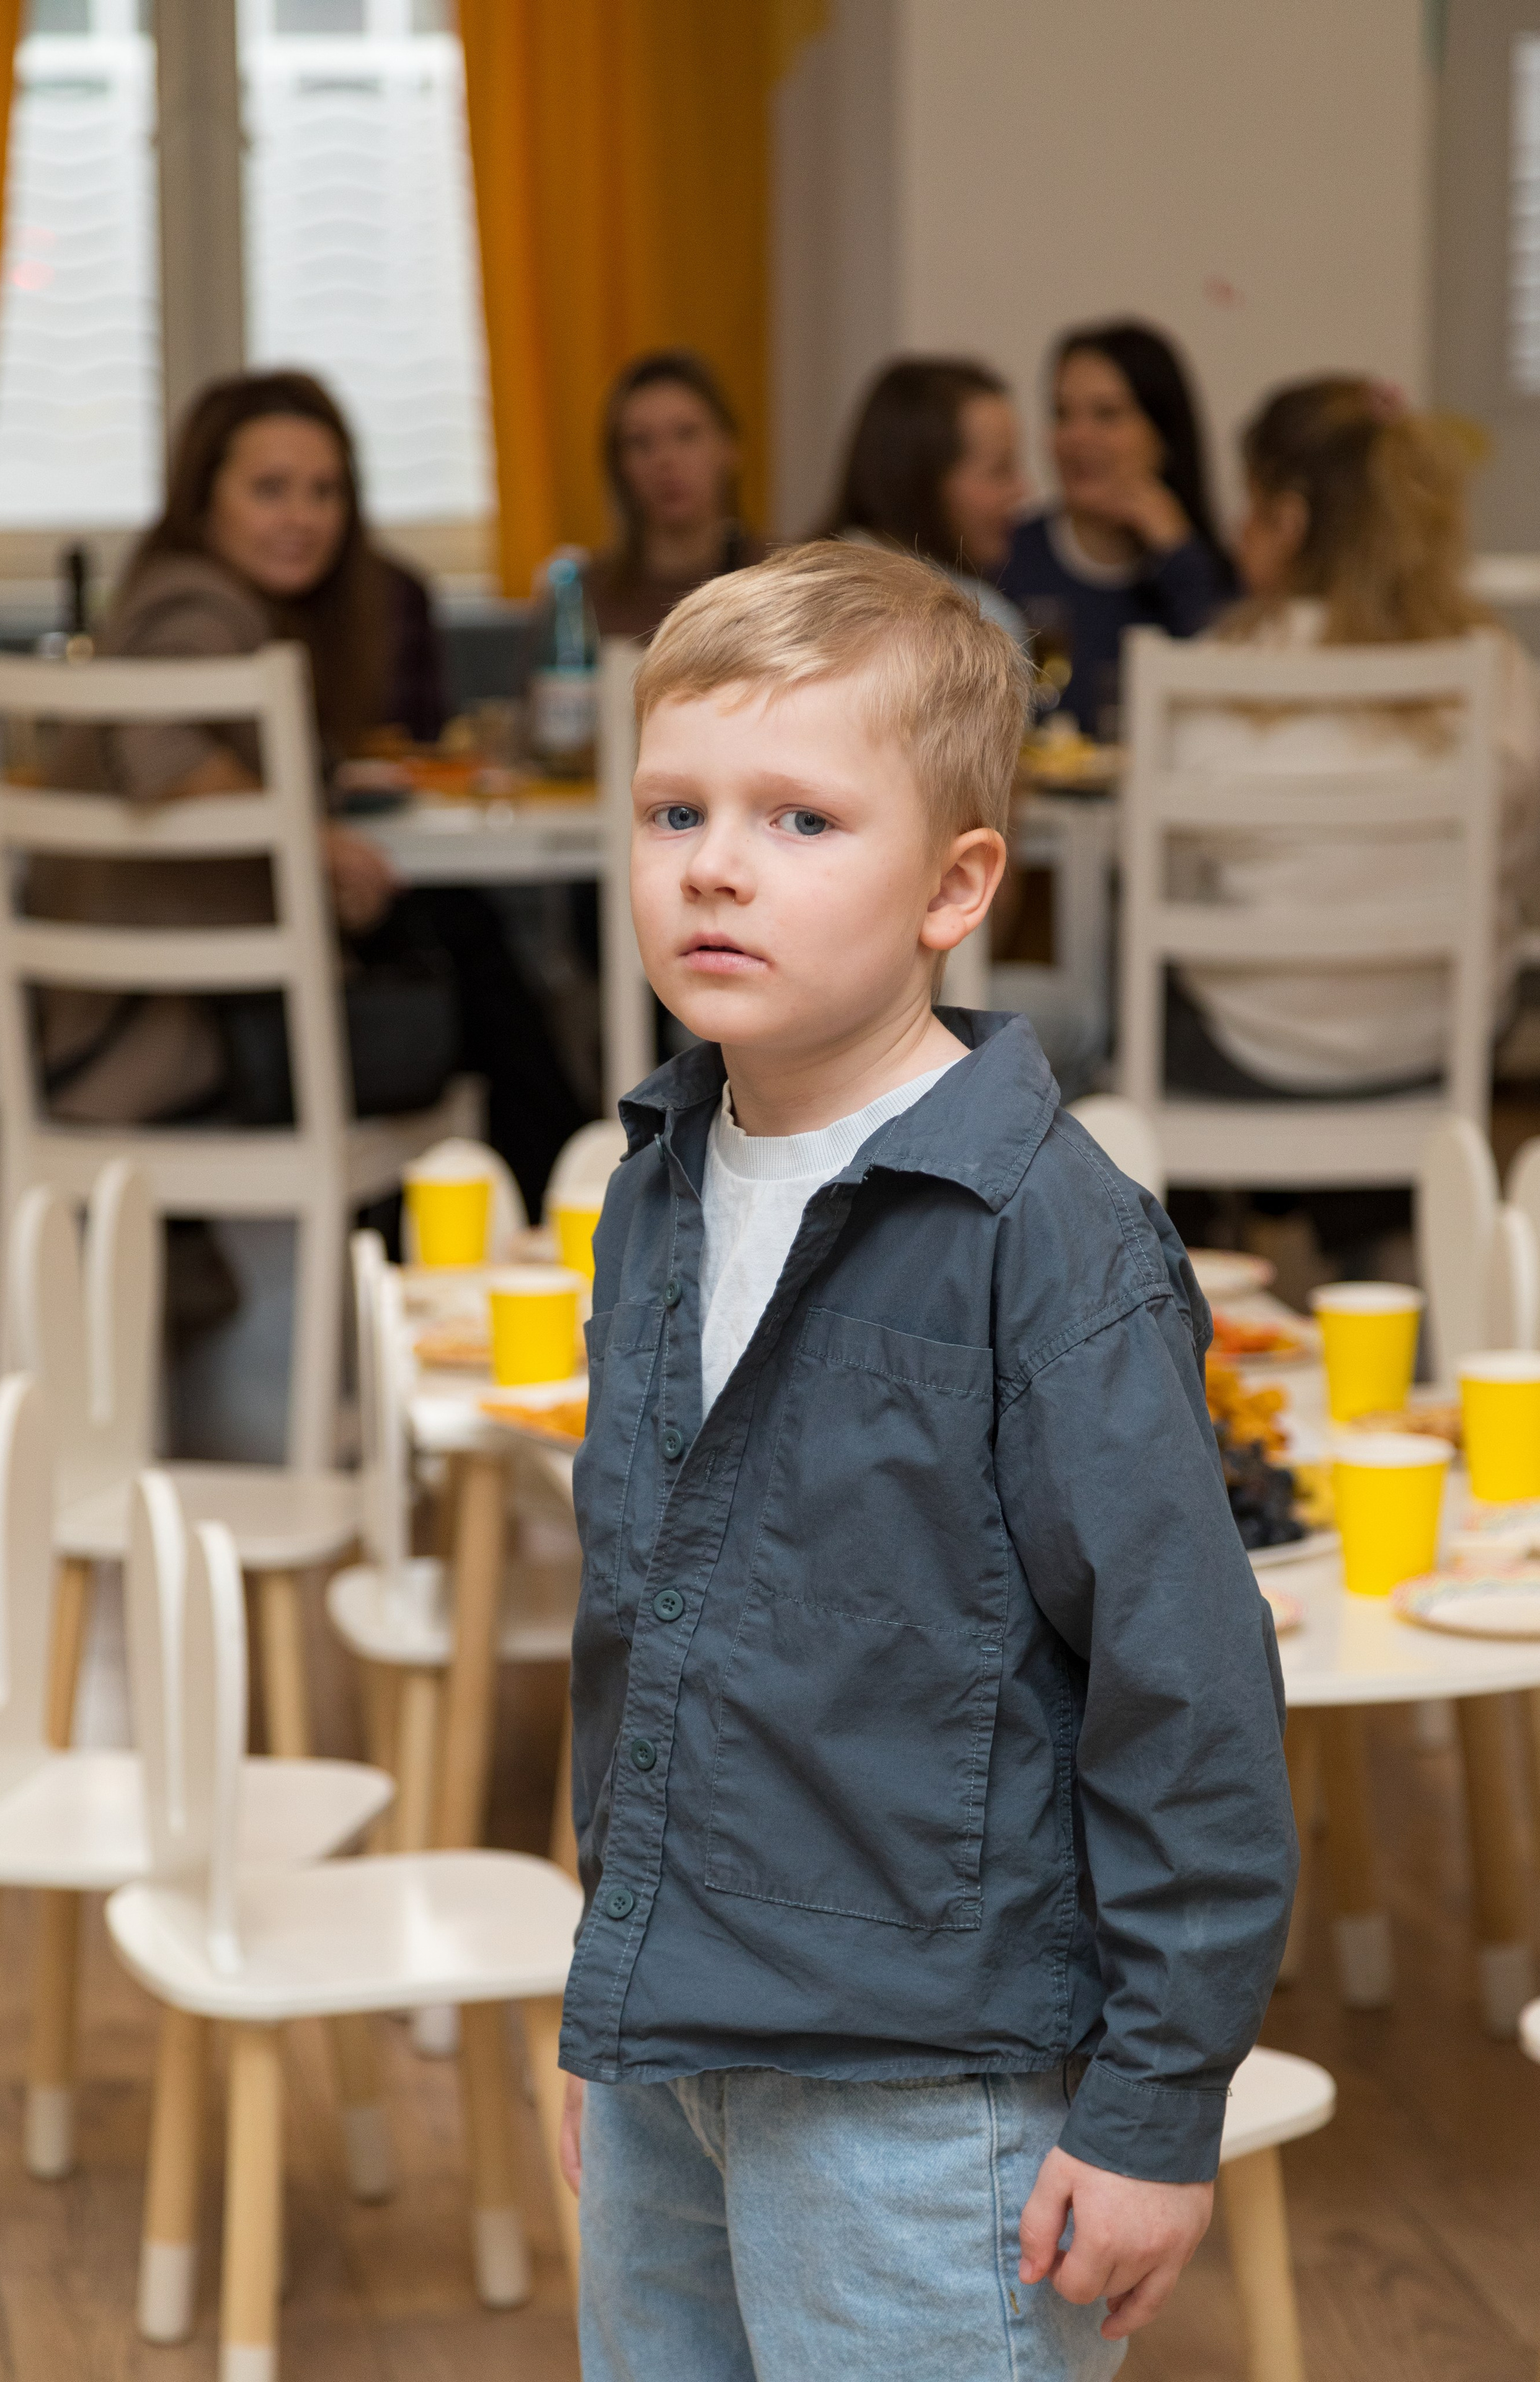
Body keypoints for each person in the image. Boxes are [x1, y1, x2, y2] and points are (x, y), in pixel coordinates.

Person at [556, 542, 1296, 2379]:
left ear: (954, 885)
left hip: (926, 2092)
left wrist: (1155, 2101)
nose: (714, 864)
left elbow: (1184, 1683)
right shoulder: (651, 1188)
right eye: (674, 810)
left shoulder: (1046, 1236)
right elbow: (640, 1633)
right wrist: (610, 1987)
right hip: (668, 2044)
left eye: (800, 818)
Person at [45, 369, 584, 1216]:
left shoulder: (198, 601)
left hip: (133, 1023)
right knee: (472, 969)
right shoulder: (195, 606)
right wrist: (315, 840)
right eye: (270, 489)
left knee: (453, 942)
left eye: (325, 491)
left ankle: (548, 1213)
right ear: (203, 498)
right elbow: (159, 748)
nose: (303, 517)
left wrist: (318, 791)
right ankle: (580, 1215)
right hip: (158, 1043)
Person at [1167, 375, 1540, 1104]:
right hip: (1445, 1043)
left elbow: (1169, 879)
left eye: (1249, 505)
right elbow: (1519, 867)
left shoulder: (1206, 674)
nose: (1238, 528)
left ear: (1289, 520)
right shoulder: (1495, 665)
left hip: (1255, 1048)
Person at [1000, 319, 1235, 735]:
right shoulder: (1009, 554)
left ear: (1163, 436)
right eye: (1062, 414)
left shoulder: (1205, 569)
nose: (1076, 437)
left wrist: (1177, 553)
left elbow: (1226, 694)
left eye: (1106, 415)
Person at [824, 354, 1030, 640]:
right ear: (922, 478)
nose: (1021, 490)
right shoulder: (977, 624)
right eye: (1000, 470)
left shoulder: (801, 586)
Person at [583, 349, 767, 640]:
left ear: (729, 448)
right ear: (619, 466)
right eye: (641, 442)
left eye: (686, 434)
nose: (665, 460)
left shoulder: (777, 583)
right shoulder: (582, 598)